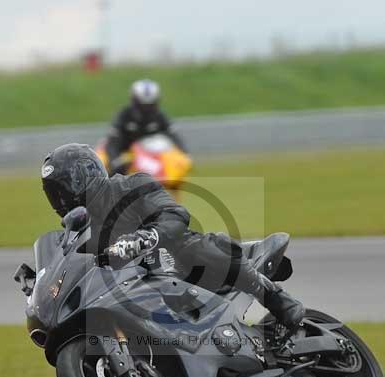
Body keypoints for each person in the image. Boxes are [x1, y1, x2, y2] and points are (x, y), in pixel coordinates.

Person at [40, 143, 305, 333]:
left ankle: (274, 297)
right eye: (56, 192)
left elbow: (174, 214)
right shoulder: (78, 228)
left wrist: (147, 236)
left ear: (88, 174)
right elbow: (72, 262)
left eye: (68, 186)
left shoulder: (131, 185)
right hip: (135, 289)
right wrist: (40, 282)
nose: (63, 197)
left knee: (192, 247)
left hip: (174, 262)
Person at [105, 79, 187, 175]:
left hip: (151, 156)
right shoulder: (124, 115)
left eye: (150, 105)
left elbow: (173, 135)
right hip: (126, 154)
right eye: (143, 106)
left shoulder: (160, 116)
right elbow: (112, 140)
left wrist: (185, 154)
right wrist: (115, 160)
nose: (146, 110)